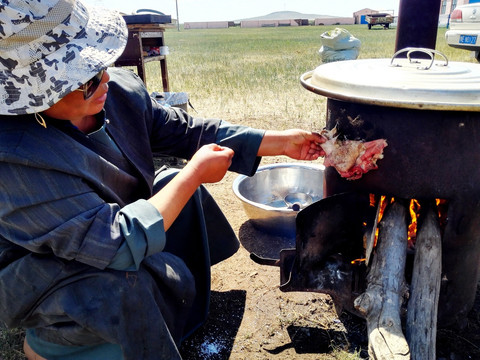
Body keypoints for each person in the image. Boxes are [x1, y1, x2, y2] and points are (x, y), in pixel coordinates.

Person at [0, 0, 325, 359]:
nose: (105, 78)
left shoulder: (115, 93)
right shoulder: (15, 154)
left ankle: (178, 312)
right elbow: (116, 245)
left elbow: (182, 131)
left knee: (172, 188)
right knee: (127, 284)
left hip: (108, 229)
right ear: (36, 95)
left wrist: (278, 142)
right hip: (41, 272)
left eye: (102, 63)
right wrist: (193, 175)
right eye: (88, 77)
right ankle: (50, 344)